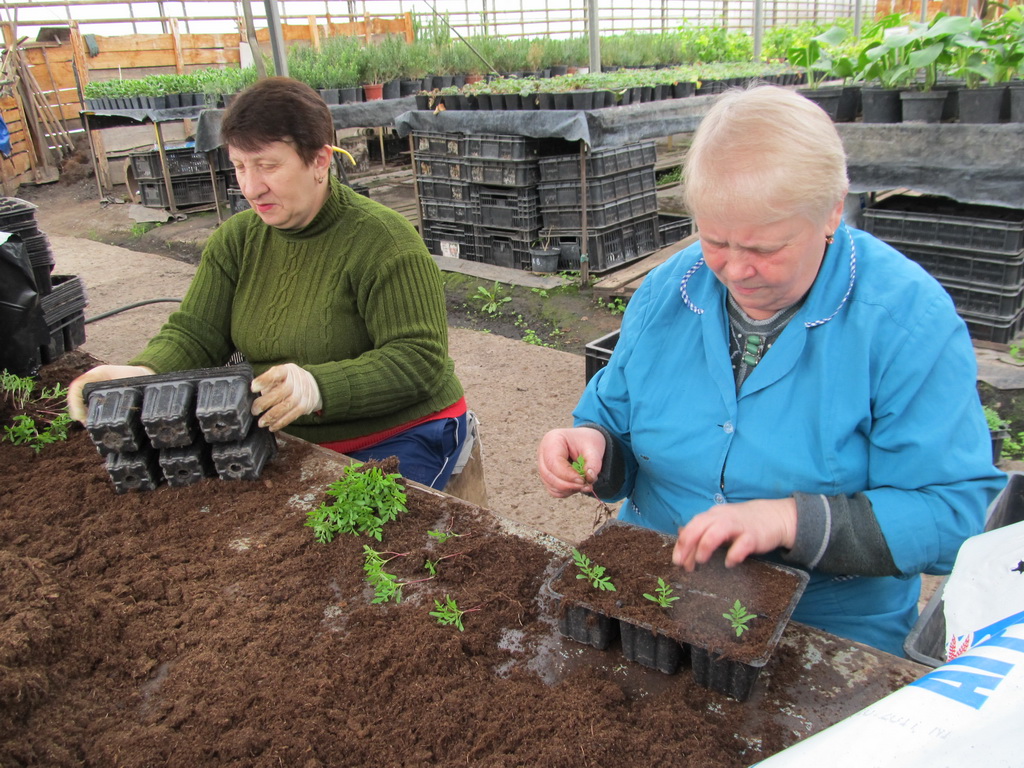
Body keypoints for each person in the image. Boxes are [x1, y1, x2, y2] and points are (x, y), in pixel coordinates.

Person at [537, 85, 1006, 656]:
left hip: (823, 623)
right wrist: (590, 447)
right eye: (715, 240)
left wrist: (791, 522)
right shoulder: (668, 292)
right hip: (654, 594)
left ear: (833, 210)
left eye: (766, 248)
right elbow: (612, 423)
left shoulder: (905, 322)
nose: (736, 270)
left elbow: (954, 512)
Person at [69, 76, 467, 490]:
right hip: (283, 436)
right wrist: (139, 373)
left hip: (401, 434)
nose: (251, 186)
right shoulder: (237, 239)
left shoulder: (384, 241)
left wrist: (317, 387)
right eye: (240, 166)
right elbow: (196, 334)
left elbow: (419, 359)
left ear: (319, 161)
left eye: (268, 166)